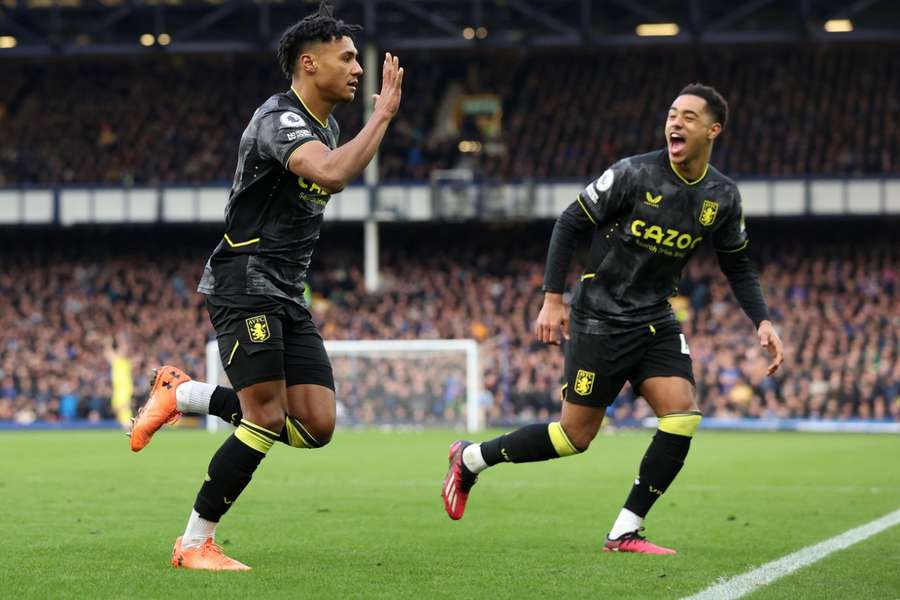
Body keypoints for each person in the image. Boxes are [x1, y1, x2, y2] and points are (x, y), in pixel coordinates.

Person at [441, 83, 785, 554]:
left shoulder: (722, 196)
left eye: (687, 116)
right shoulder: (633, 173)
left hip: (656, 319)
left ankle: (625, 529)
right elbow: (570, 221)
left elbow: (738, 263)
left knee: (682, 416)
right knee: (573, 437)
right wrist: (552, 299)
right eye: (671, 113)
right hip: (600, 318)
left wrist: (762, 320)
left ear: (713, 129)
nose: (675, 122)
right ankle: (472, 458)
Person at [128, 1, 404, 570]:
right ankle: (194, 541)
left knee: (316, 425)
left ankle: (181, 395)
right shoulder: (280, 119)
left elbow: (334, 169)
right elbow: (330, 173)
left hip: (285, 290)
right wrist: (381, 118)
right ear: (309, 64)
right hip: (244, 279)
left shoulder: (324, 124)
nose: (357, 68)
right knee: (266, 419)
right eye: (346, 57)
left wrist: (369, 125)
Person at [103, 335, 133, 428]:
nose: (119, 351)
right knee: (116, 406)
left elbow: (109, 353)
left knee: (124, 405)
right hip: (117, 388)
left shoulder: (123, 361)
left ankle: (128, 423)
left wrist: (110, 343)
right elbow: (107, 353)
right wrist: (108, 344)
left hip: (124, 387)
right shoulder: (117, 360)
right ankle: (125, 422)